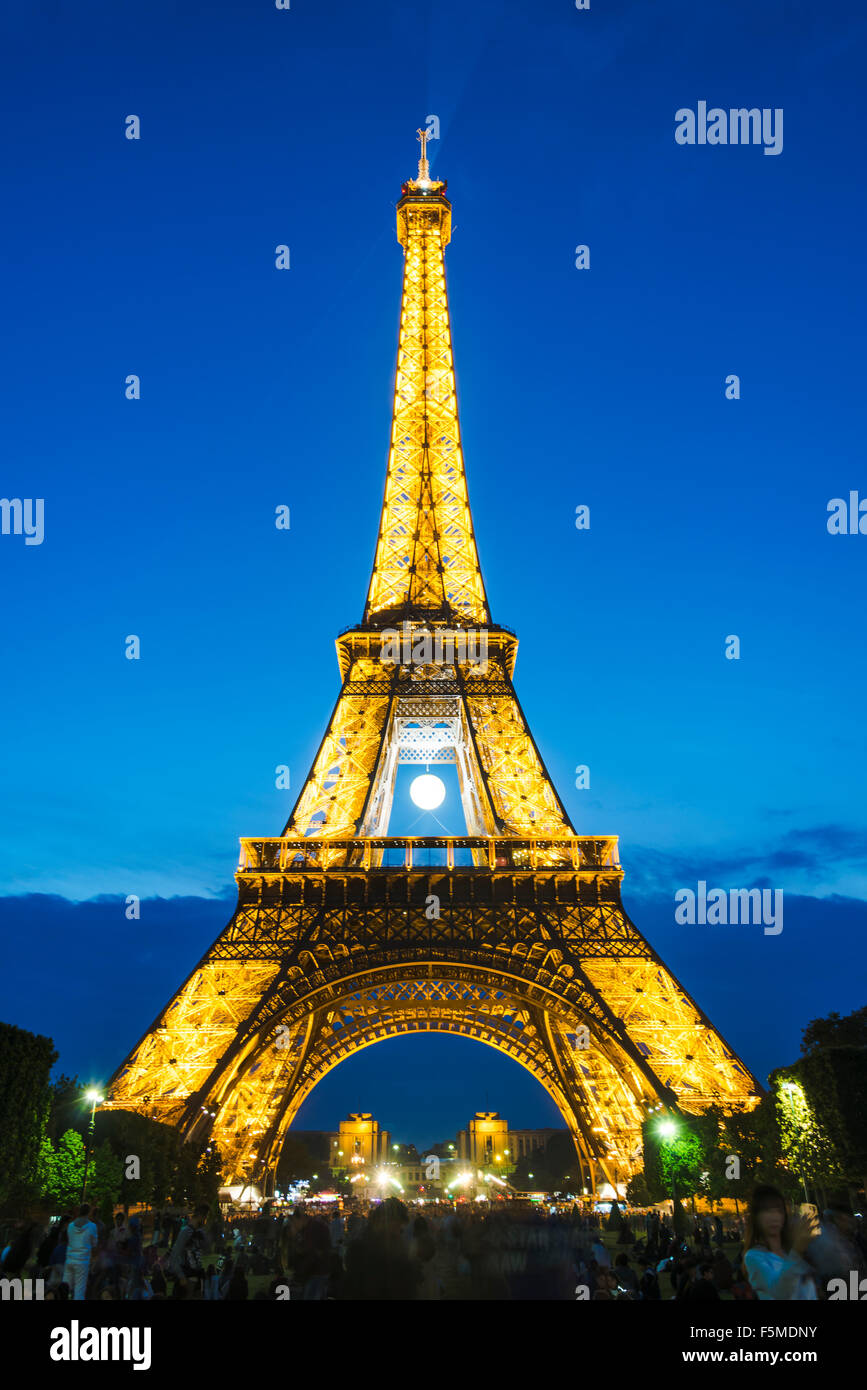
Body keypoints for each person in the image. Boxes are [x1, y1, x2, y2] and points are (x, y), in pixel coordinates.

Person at [742, 1185, 817, 1300]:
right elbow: (780, 1292)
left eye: (778, 1211)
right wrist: (797, 1251)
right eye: (767, 1211)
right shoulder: (754, 1257)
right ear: (756, 1217)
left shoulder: (788, 1251)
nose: (774, 1217)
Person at [809, 1202, 866, 1296]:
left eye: (847, 1219)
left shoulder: (856, 1239)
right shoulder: (828, 1242)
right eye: (841, 1219)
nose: (847, 1223)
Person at [62, 1204, 99, 1301]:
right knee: (79, 1290)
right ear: (89, 1212)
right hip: (82, 1262)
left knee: (65, 1287)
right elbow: (94, 1243)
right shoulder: (92, 1226)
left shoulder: (70, 1226)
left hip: (69, 1259)